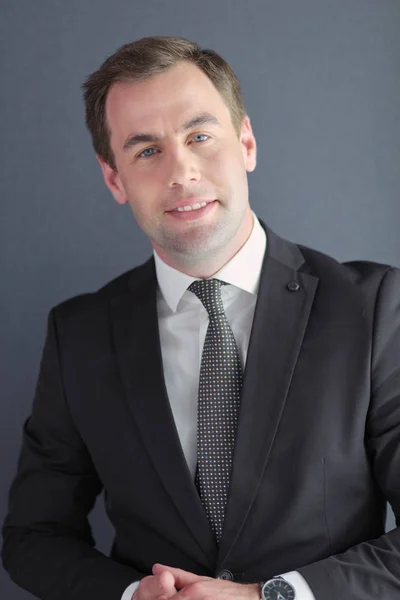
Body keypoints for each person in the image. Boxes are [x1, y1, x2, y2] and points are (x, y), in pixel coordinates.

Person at [2, 35, 400, 600]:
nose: (181, 171)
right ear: (114, 178)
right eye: (146, 151)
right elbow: (33, 537)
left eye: (199, 136)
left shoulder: (374, 307)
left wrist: (268, 596)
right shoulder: (80, 335)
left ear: (246, 142)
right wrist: (132, 595)